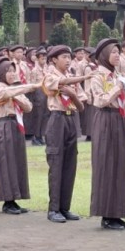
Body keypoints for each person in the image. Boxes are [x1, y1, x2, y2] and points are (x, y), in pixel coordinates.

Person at [88, 38, 125, 230]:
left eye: (118, 51)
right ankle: (106, 215)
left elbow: (124, 101)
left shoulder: (117, 76)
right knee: (106, 165)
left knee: (121, 165)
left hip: (119, 119)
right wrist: (118, 89)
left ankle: (118, 212)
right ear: (104, 55)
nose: (117, 55)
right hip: (105, 120)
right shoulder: (98, 76)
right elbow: (100, 101)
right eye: (113, 52)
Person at [42, 45, 91, 223]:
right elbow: (59, 84)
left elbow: (81, 106)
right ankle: (53, 209)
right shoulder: (50, 75)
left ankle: (65, 207)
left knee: (70, 164)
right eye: (63, 57)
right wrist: (84, 77)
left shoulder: (72, 79)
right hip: (57, 119)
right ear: (54, 60)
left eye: (69, 57)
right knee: (56, 163)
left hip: (71, 119)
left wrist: (73, 95)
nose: (68, 60)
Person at [0, 56, 40, 215]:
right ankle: (7, 201)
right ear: (0, 74)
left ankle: (15, 199)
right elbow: (4, 94)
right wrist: (25, 88)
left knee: (16, 162)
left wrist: (17, 94)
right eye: (8, 71)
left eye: (13, 71)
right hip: (4, 126)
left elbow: (28, 107)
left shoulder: (15, 90)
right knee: (6, 162)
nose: (12, 74)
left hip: (17, 126)